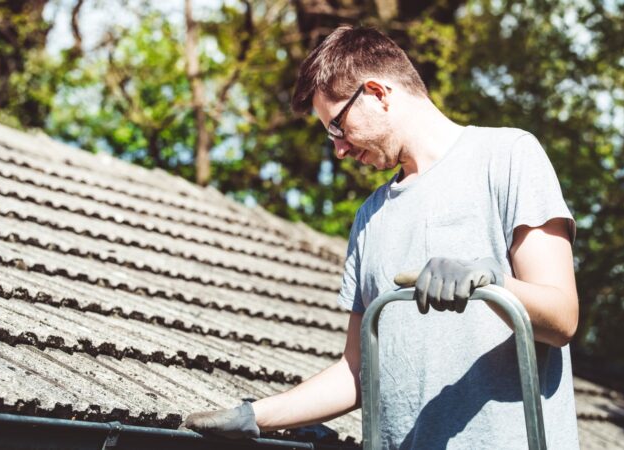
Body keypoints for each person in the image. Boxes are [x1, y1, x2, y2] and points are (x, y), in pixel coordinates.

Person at [181, 25, 580, 449]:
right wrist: (255, 415)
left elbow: (562, 318)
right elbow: (357, 371)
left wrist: (494, 282)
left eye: (337, 127)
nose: (339, 149)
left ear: (377, 92)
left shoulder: (508, 157)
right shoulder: (370, 218)